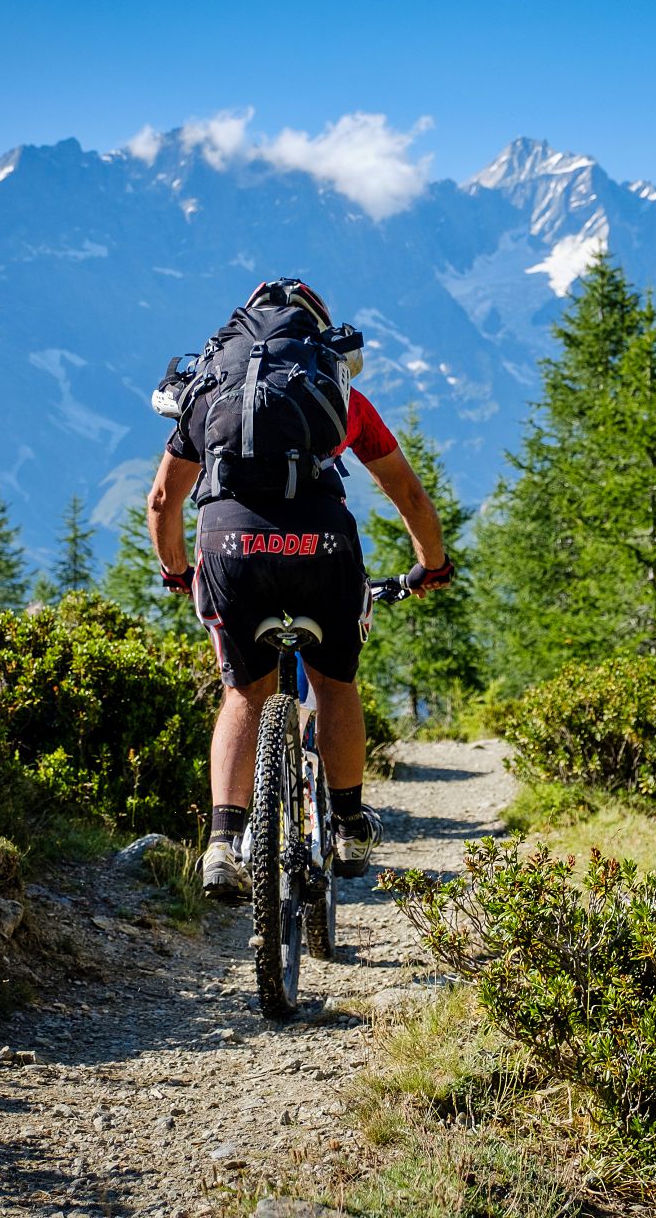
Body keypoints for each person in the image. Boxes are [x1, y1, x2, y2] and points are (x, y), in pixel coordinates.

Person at [146, 277, 453, 902]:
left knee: (243, 694)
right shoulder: (340, 395)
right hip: (323, 548)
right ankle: (348, 827)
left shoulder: (209, 389)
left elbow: (160, 501)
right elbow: (409, 495)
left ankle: (222, 845)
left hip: (229, 547)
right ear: (315, 334)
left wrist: (178, 570)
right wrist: (432, 564)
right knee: (335, 686)